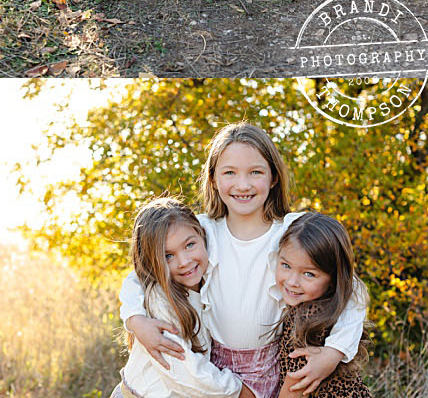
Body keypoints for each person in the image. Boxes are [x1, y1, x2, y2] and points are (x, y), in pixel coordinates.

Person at [120, 124, 368, 398]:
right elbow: (140, 276)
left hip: (270, 368)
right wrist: (135, 320)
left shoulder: (291, 232)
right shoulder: (202, 232)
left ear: (273, 177)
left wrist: (334, 352)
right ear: (213, 178)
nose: (243, 185)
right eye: (229, 173)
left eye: (256, 172)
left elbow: (351, 289)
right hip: (217, 368)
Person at [112, 197, 256, 398]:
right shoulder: (159, 301)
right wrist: (238, 390)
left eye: (189, 245)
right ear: (152, 262)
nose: (184, 261)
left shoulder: (210, 275)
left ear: (201, 235)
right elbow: (187, 374)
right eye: (167, 256)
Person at [274, 214, 374, 398]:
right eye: (286, 265)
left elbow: (297, 383)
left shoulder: (309, 316)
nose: (292, 281)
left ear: (333, 279)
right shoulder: (333, 307)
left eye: (309, 274)